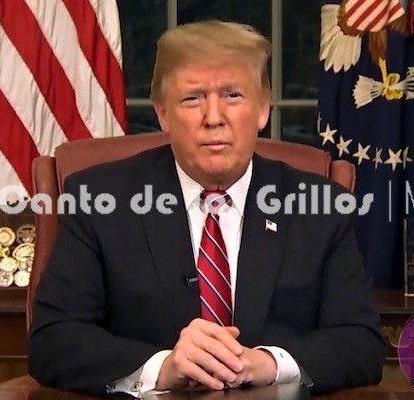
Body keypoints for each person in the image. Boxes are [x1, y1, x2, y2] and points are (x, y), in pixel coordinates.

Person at [28, 20, 385, 397]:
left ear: (262, 109)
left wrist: (269, 363)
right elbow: (52, 340)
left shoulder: (319, 207)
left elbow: (361, 343)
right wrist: (161, 368)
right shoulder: (100, 199)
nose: (214, 118)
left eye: (232, 95)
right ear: (163, 114)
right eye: (192, 98)